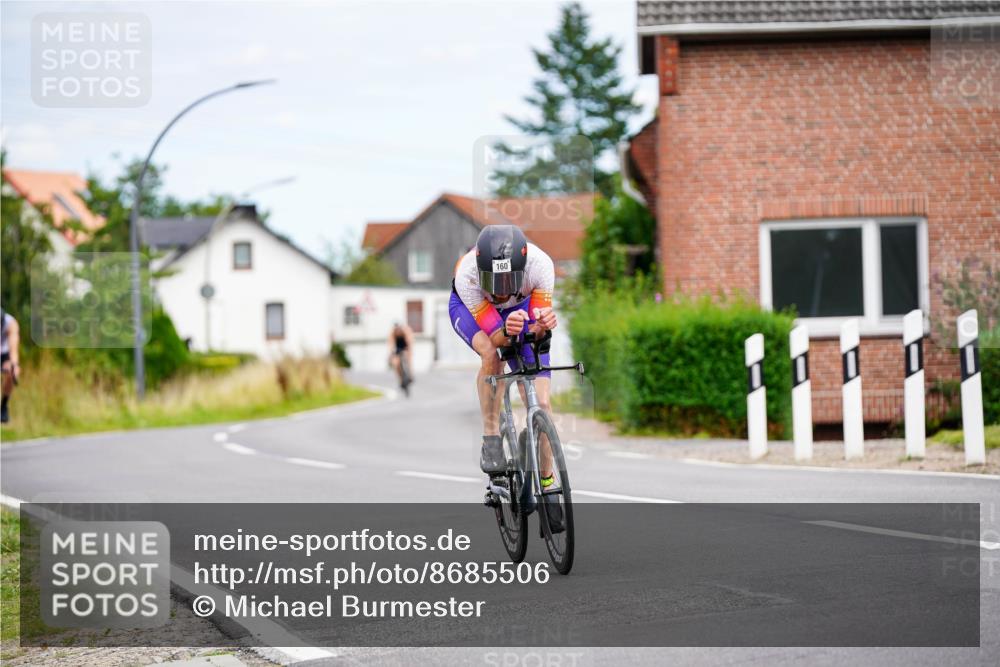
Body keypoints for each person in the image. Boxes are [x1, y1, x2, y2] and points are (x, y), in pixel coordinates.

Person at [449, 225, 558, 483]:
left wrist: (541, 326)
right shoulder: (468, 275)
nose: (500, 292)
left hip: (521, 307)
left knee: (542, 404)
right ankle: (491, 436)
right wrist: (508, 332)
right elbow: (496, 338)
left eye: (508, 281)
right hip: (472, 308)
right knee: (490, 354)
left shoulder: (540, 266)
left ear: (522, 268)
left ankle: (548, 482)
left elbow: (536, 334)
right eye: (494, 282)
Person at [1, 307, 21, 424]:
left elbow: (13, 352)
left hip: (5, 352)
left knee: (13, 371)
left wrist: (14, 365)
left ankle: (3, 405)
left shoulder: (11, 323)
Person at [388, 321, 414, 394]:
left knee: (408, 359)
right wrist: (391, 353)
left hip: (405, 345)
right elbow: (391, 344)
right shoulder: (392, 333)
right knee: (396, 364)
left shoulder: (406, 331)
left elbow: (409, 341)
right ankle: (401, 379)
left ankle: (410, 375)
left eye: (399, 330)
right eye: (396, 330)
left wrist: (408, 351)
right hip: (397, 347)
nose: (398, 331)